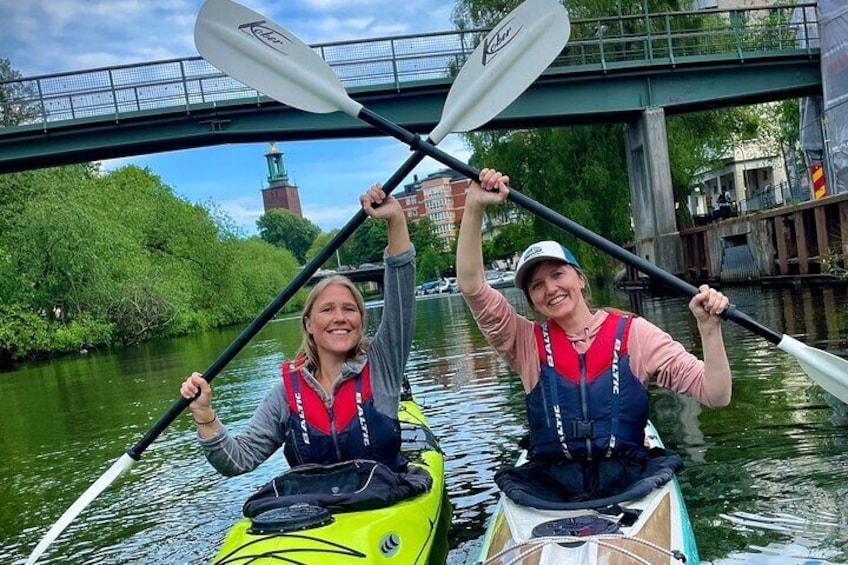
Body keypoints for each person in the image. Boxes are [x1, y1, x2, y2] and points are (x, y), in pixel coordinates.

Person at [456, 168, 732, 504]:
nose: (551, 289)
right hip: (551, 489)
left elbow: (716, 394)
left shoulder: (636, 335)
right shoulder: (524, 342)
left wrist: (709, 329)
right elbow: (472, 287)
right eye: (537, 285)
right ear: (532, 301)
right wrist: (474, 207)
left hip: (631, 484)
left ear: (581, 280)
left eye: (558, 274)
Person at [179, 183, 417, 481]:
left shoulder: (383, 364)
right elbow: (237, 461)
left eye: (350, 309)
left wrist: (395, 221)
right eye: (327, 310)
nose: (340, 318)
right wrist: (204, 415)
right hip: (315, 514)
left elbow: (401, 294)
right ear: (309, 324)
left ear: (361, 319)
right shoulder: (285, 395)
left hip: (384, 504)